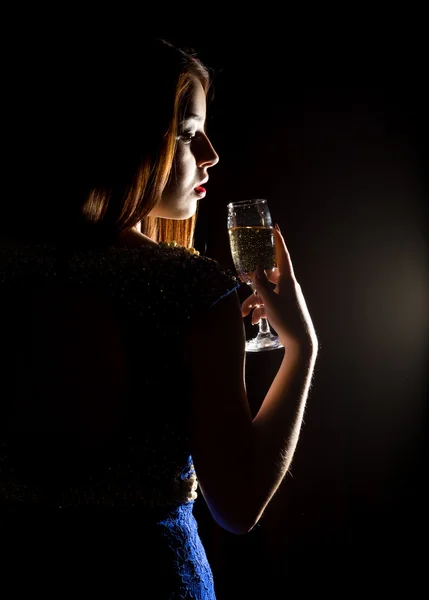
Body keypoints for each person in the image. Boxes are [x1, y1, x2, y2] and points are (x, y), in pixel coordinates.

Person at [0, 37, 318, 599]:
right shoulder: (192, 292)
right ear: (132, 142)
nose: (213, 154)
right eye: (191, 134)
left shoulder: (10, 269)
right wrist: (303, 349)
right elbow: (238, 508)